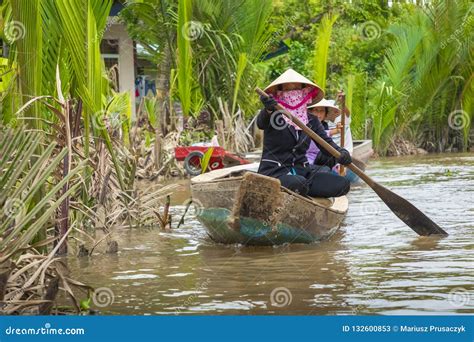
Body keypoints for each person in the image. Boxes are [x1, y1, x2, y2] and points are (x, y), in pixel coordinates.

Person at [257, 69, 351, 198]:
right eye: (288, 89)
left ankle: (303, 190)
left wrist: (341, 153)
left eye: (297, 88)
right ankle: (299, 189)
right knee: (298, 183)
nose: (293, 92)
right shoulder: (273, 115)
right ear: (279, 92)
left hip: (303, 173)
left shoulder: (311, 120)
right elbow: (261, 123)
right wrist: (267, 109)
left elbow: (326, 145)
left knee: (343, 184)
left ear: (304, 91)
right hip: (275, 173)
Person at [306, 98, 342, 169]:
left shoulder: (324, 126)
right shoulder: (305, 125)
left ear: (325, 114)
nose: (319, 114)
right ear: (310, 112)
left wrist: (338, 166)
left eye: (322, 111)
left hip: (322, 160)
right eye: (316, 110)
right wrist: (333, 131)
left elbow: (328, 145)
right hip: (308, 161)